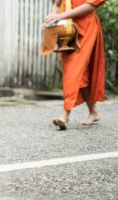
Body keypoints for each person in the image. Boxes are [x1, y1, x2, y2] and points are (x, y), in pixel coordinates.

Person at [44, 0, 106, 130]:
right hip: (67, 30)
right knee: (80, 72)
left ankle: (65, 115)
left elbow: (90, 6)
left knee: (74, 69)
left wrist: (60, 16)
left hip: (86, 28)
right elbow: (56, 3)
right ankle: (93, 112)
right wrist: (51, 21)